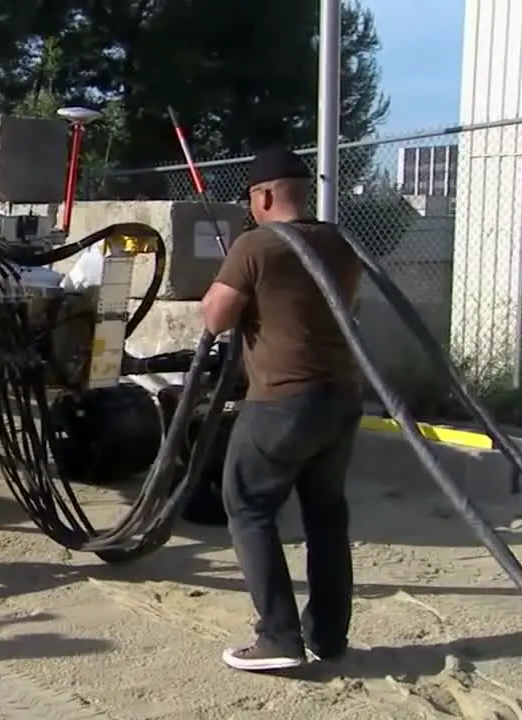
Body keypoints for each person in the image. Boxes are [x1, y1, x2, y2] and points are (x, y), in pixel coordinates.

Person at [199, 146, 364, 672]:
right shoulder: (338, 243)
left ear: (265, 196)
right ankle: (328, 636)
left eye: (253, 201)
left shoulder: (256, 245)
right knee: (327, 516)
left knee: (247, 506)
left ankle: (278, 637)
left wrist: (231, 284)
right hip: (342, 398)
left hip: (282, 402)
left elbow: (217, 317)